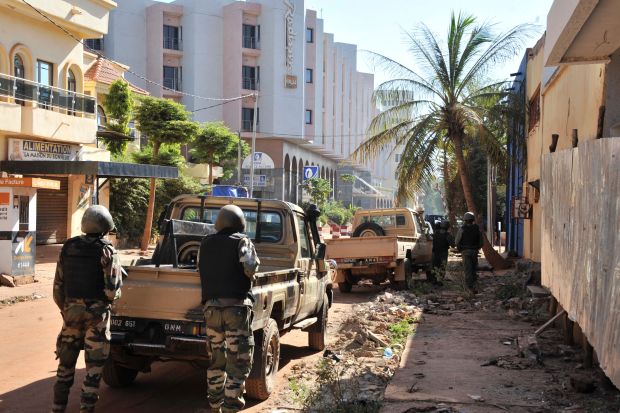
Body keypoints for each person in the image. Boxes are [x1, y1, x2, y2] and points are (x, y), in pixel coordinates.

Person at [52, 205, 123, 413]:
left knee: (64, 369)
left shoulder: (68, 247)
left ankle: (57, 409)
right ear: (104, 227)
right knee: (93, 372)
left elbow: (57, 289)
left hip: (71, 316)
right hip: (96, 318)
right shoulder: (107, 250)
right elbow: (112, 292)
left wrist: (68, 310)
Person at [199, 204, 260, 413]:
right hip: (236, 309)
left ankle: (215, 405)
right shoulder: (242, 242)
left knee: (216, 361)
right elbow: (251, 268)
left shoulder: (205, 243)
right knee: (238, 361)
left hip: (211, 310)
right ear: (239, 223)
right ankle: (231, 408)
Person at [455, 212, 483, 292]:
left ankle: (469, 288)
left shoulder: (462, 229)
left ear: (465, 220)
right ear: (473, 219)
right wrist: (477, 248)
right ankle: (474, 285)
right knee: (473, 268)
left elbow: (457, 241)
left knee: (468, 269)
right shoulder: (477, 229)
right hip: (474, 251)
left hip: (465, 251)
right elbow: (481, 242)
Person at [429, 220, 454, 285]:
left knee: (435, 266)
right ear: (447, 227)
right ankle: (439, 281)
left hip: (435, 252)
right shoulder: (447, 235)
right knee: (442, 266)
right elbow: (453, 244)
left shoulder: (435, 233)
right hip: (443, 253)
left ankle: (434, 280)